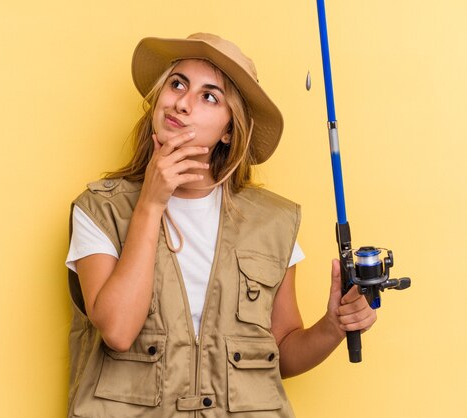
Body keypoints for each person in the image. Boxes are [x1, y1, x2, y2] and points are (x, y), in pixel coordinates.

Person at [65, 33, 376, 417]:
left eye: (209, 96)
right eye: (177, 84)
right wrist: (150, 202)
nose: (182, 102)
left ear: (230, 129)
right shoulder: (99, 209)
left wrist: (332, 326)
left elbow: (280, 354)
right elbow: (118, 329)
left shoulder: (273, 223)